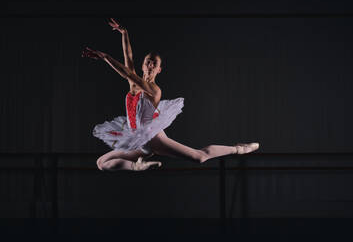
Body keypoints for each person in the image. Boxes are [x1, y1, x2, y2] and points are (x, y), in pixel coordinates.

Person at [82, 18, 260, 171]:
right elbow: (128, 59)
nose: (150, 65)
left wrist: (105, 56)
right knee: (102, 163)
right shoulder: (134, 84)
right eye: (148, 62)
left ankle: (238, 149)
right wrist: (124, 33)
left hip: (152, 137)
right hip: (139, 140)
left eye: (154, 63)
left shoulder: (154, 90)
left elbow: (127, 73)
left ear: (159, 69)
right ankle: (138, 166)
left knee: (199, 157)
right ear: (143, 66)